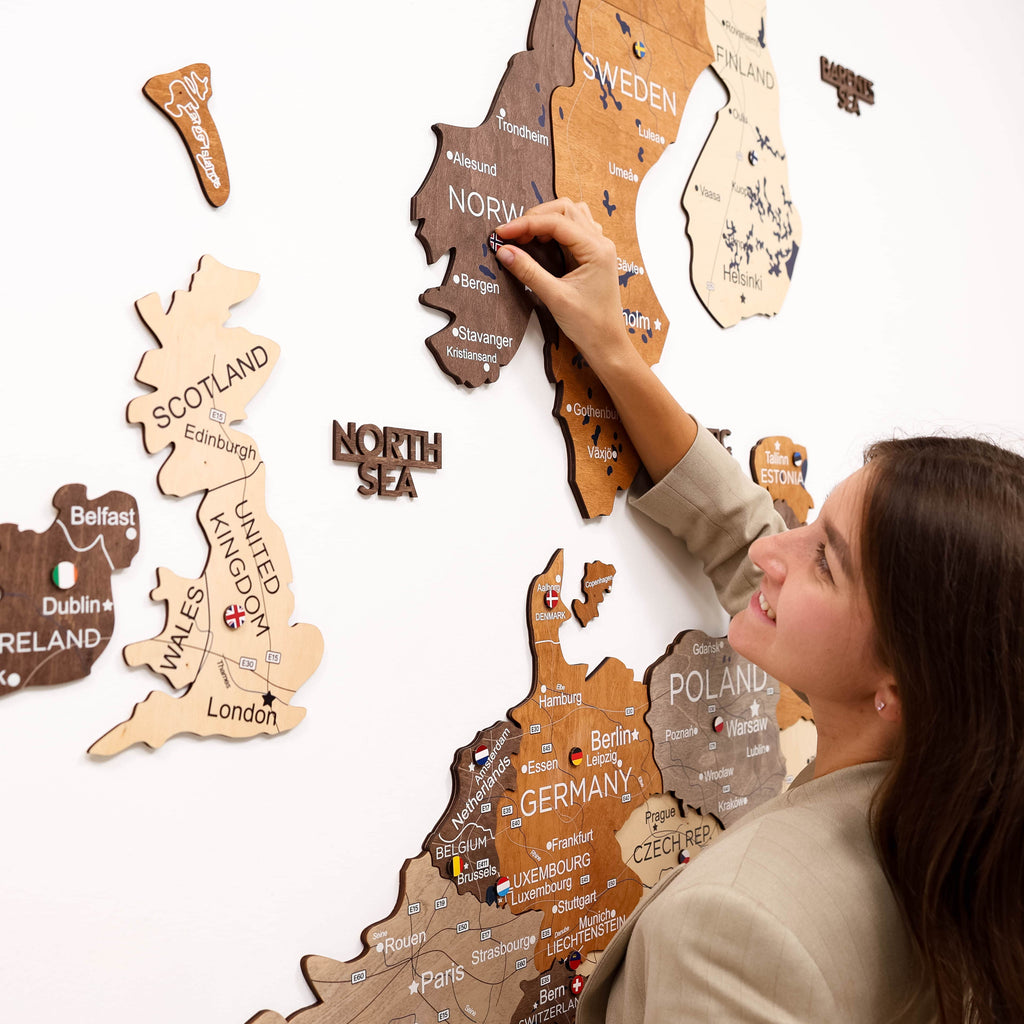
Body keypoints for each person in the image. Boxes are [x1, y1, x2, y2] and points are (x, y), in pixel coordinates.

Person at [492, 200, 1024, 1023]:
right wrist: (612, 347)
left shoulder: (736, 930)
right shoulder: (962, 827)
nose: (775, 551)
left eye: (824, 560)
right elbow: (741, 529)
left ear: (900, 682)